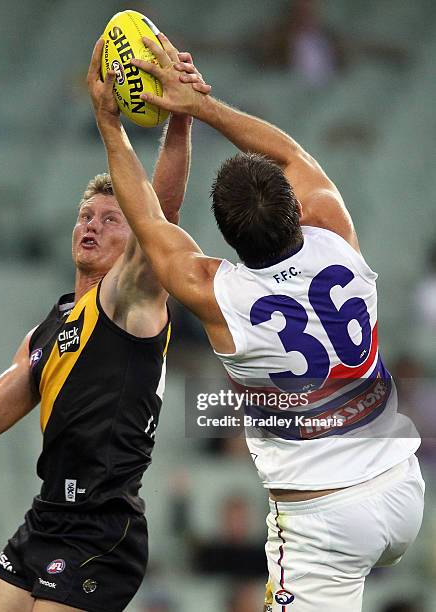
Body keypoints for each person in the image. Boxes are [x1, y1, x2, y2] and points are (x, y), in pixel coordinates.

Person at [88, 34, 424, 612]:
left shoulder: (222, 296)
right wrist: (199, 105)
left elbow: (147, 221)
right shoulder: (339, 241)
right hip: (402, 486)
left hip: (324, 521)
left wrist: (111, 123)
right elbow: (294, 157)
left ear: (226, 236)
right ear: (297, 207)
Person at [0, 46, 210, 612]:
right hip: (46, 517)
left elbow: (161, 221)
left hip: (103, 528)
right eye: (85, 216)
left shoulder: (129, 301)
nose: (92, 226)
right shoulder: (48, 330)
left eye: (110, 219)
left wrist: (179, 118)